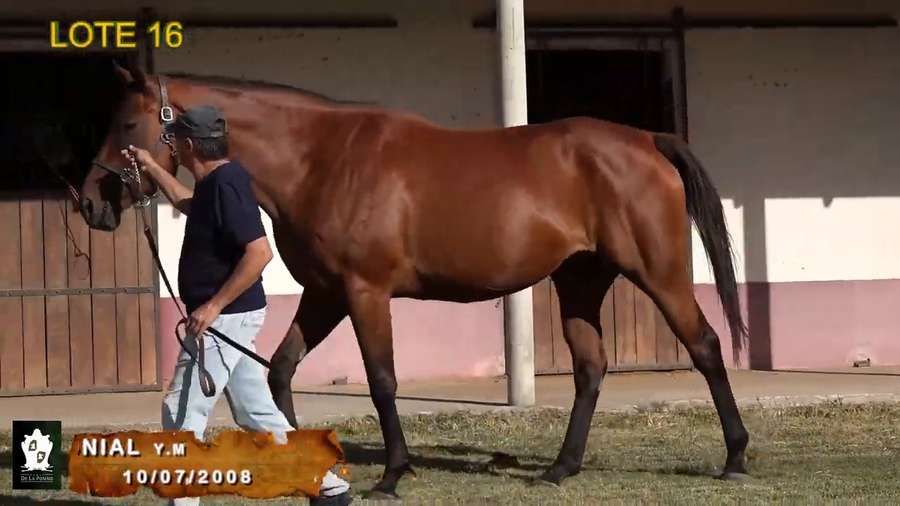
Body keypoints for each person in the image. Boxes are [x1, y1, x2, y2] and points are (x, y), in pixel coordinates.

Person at [124, 105, 351, 506]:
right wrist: (150, 167)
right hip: (227, 320)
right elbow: (186, 204)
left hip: (224, 320)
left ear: (189, 145)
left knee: (181, 409)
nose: (171, 147)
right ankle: (327, 486)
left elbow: (259, 253)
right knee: (255, 413)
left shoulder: (228, 185)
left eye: (174, 141)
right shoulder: (214, 185)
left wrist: (212, 307)